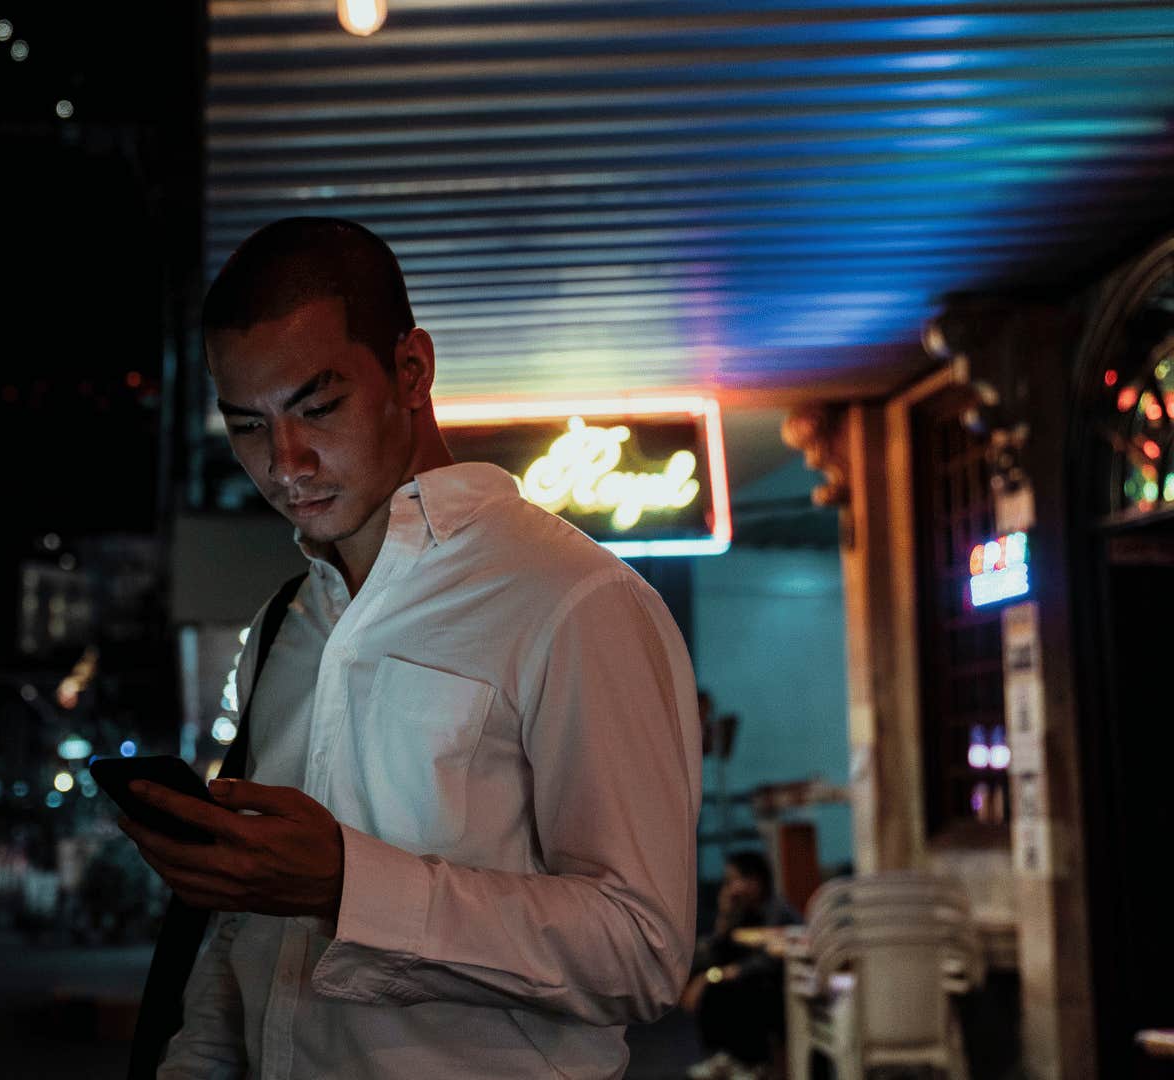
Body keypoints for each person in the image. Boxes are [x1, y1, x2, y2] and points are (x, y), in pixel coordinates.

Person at [121, 217, 702, 1079]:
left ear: (412, 371)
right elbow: (245, 946)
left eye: (318, 408)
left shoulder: (575, 600)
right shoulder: (284, 626)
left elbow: (643, 950)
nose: (286, 463)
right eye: (247, 427)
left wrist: (348, 885)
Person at [681, 851, 802, 1080]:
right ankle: (730, 1057)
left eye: (733, 880)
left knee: (730, 988)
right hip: (758, 982)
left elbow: (768, 962)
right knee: (715, 985)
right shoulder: (745, 912)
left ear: (755, 881)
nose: (730, 888)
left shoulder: (777, 912)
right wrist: (725, 916)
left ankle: (752, 1063)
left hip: (784, 990)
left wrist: (714, 976)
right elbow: (713, 953)